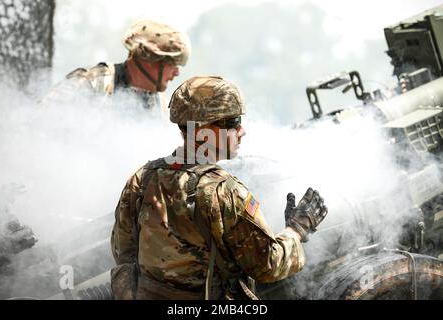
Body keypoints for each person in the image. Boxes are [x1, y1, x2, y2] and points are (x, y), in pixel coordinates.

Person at [110, 76, 328, 300]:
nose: (242, 131)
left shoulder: (142, 179)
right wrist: (298, 229)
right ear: (204, 127)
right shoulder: (225, 191)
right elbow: (268, 266)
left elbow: (123, 253)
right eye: (233, 122)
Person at [41, 19, 190, 111]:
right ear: (150, 58)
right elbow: (39, 121)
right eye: (172, 64)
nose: (176, 73)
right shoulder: (92, 83)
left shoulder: (162, 107)